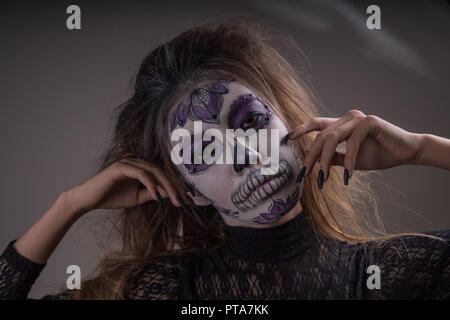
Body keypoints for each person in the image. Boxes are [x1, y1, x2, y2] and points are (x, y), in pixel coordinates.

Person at [0, 18, 449, 300]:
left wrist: (422, 148)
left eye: (250, 122)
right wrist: (69, 205)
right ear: (189, 189)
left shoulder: (396, 275)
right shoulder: (162, 290)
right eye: (202, 152)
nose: (244, 157)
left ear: (292, 125)